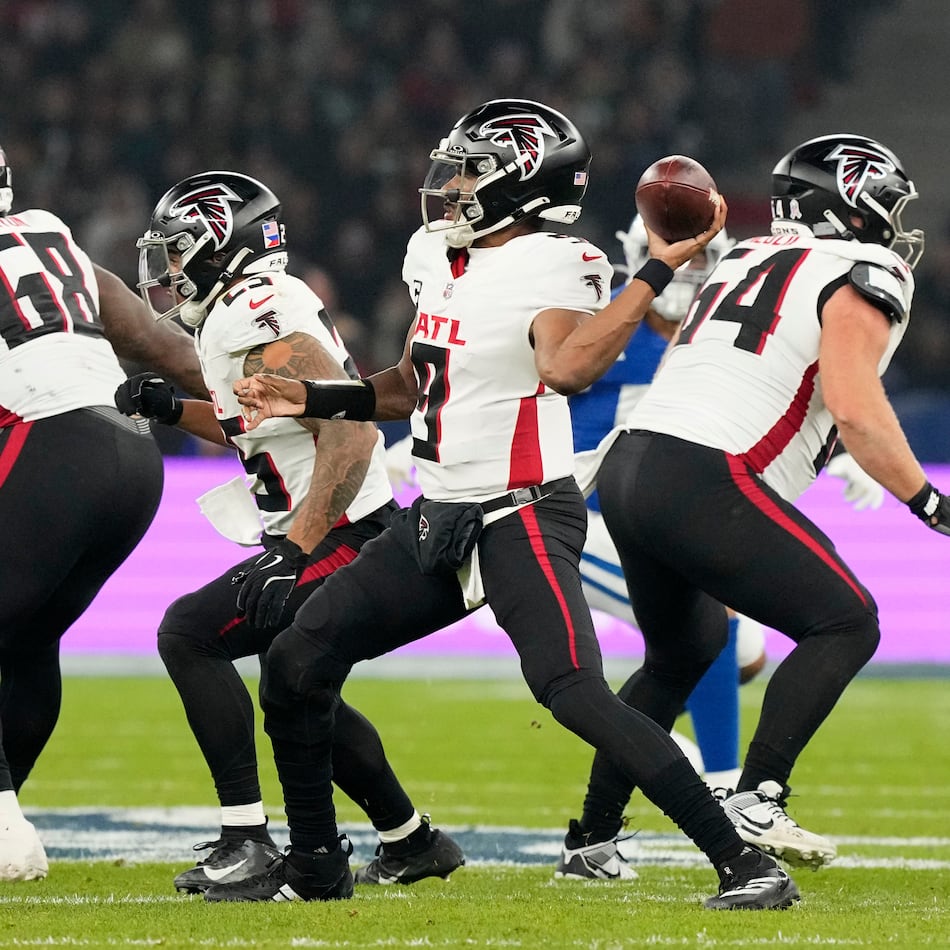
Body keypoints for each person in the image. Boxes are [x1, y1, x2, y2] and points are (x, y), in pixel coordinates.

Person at [226, 98, 799, 911]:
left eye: (471, 171)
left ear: (523, 186)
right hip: (440, 512)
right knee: (292, 664)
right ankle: (320, 864)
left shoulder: (558, 261)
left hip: (521, 511)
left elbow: (566, 369)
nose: (450, 185)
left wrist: (657, 271)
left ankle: (743, 862)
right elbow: (416, 382)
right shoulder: (436, 252)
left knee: (572, 692)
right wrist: (312, 395)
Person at [555, 132, 944, 873]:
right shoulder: (866, 269)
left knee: (682, 652)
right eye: (886, 203)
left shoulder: (743, 255)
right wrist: (927, 502)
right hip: (705, 470)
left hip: (634, 463)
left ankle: (592, 838)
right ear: (852, 203)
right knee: (847, 621)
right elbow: (854, 405)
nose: (895, 224)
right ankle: (758, 793)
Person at [114, 171, 463, 895]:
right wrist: (175, 408)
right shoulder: (248, 307)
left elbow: (351, 435)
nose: (171, 270)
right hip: (339, 523)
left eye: (180, 251)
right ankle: (411, 840)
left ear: (220, 243)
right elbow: (266, 421)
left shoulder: (253, 312)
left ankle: (245, 836)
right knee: (300, 683)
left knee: (190, 633)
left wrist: (294, 549)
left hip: (342, 529)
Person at [0, 144, 206, 882]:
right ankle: (6, 810)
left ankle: (5, 831)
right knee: (25, 643)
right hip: (132, 456)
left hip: (51, 447)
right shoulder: (47, 232)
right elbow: (158, 344)